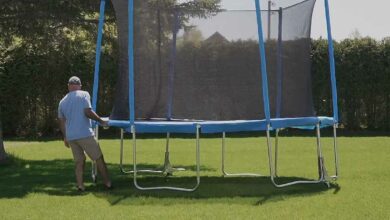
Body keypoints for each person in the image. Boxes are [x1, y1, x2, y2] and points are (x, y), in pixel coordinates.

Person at [58, 76, 112, 191]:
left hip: (71, 136)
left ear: (69, 86)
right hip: (84, 133)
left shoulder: (62, 101)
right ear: (79, 85)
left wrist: (65, 137)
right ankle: (107, 183)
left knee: (79, 161)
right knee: (98, 158)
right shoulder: (84, 94)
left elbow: (62, 122)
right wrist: (101, 121)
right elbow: (88, 111)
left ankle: (80, 186)